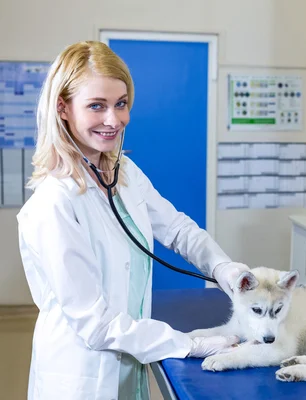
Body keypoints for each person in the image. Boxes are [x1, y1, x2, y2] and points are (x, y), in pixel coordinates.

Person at [16, 41, 251, 400]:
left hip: (127, 366)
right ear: (63, 108)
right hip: (82, 376)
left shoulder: (123, 171)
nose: (114, 120)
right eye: (97, 106)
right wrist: (189, 343)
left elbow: (177, 229)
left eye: (121, 104)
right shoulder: (53, 204)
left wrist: (224, 269)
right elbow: (96, 325)